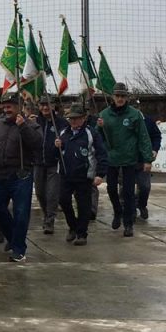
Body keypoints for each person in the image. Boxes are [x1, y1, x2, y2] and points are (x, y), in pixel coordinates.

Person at [0, 92, 42, 263]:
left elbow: (36, 144)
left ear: (19, 107)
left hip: (21, 174)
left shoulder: (31, 125)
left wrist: (23, 126)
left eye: (10, 106)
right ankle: (13, 238)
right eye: (5, 106)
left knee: (21, 212)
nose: (6, 109)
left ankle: (19, 250)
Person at [97, 82, 153, 238]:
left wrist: (147, 159)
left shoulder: (134, 115)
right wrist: (99, 127)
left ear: (126, 97)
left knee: (128, 192)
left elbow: (143, 137)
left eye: (123, 96)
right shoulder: (104, 114)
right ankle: (117, 212)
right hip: (111, 159)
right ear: (112, 97)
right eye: (117, 96)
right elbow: (97, 138)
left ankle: (128, 223)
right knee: (111, 189)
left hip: (129, 159)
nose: (120, 98)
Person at [57, 103, 108, 245]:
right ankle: (72, 226)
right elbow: (57, 154)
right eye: (71, 118)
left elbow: (101, 154)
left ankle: (81, 233)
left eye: (76, 118)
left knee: (84, 205)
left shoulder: (92, 133)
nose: (73, 121)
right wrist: (57, 147)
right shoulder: (62, 133)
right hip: (66, 174)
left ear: (83, 118)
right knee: (63, 200)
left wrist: (100, 174)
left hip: (84, 175)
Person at [34, 97, 67, 235]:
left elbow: (68, 138)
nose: (45, 107)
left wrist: (62, 143)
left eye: (48, 104)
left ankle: (49, 221)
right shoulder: (35, 122)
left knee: (52, 193)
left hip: (54, 163)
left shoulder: (61, 122)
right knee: (40, 193)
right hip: (38, 162)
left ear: (53, 106)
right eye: (42, 105)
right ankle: (46, 213)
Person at [132, 97, 161, 220]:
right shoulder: (124, 121)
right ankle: (129, 209)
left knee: (145, 187)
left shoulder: (148, 121)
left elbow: (156, 136)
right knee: (125, 188)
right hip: (127, 159)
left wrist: (154, 149)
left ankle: (141, 204)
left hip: (143, 160)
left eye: (136, 107)